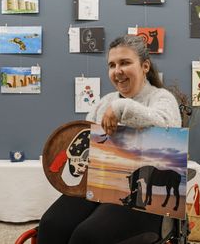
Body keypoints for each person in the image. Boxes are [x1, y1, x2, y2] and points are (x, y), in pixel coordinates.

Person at [37, 35, 181, 244]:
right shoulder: (105, 102)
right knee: (51, 224)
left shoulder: (161, 98)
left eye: (125, 63)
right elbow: (88, 141)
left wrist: (121, 108)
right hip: (100, 185)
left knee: (87, 235)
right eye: (112, 65)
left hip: (143, 196)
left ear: (145, 66)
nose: (117, 71)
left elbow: (167, 128)